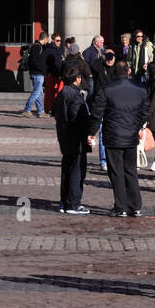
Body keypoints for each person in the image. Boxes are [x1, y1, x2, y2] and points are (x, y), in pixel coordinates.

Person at [89, 60, 149, 217]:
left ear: (114, 72)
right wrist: (137, 126)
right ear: (128, 71)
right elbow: (145, 112)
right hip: (130, 136)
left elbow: (97, 113)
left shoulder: (107, 89)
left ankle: (121, 207)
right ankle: (135, 206)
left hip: (113, 136)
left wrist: (91, 131)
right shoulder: (140, 90)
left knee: (116, 172)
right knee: (131, 171)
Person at [55, 65, 91, 214]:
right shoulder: (75, 95)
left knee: (67, 170)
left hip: (65, 136)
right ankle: (73, 203)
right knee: (77, 171)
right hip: (75, 139)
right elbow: (77, 118)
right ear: (76, 79)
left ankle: (65, 201)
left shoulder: (63, 92)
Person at [22, 32, 49, 117]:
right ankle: (27, 109)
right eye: (47, 39)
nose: (47, 41)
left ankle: (41, 111)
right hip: (37, 73)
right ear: (44, 38)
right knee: (36, 92)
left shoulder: (37, 46)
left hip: (37, 73)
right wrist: (43, 69)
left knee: (39, 93)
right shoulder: (37, 47)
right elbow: (35, 61)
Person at [42, 32, 64, 115]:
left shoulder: (57, 49)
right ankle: (48, 108)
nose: (59, 42)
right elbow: (50, 63)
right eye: (57, 40)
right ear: (53, 40)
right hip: (51, 73)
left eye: (60, 41)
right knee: (49, 92)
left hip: (57, 73)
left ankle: (53, 108)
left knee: (55, 92)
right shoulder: (49, 49)